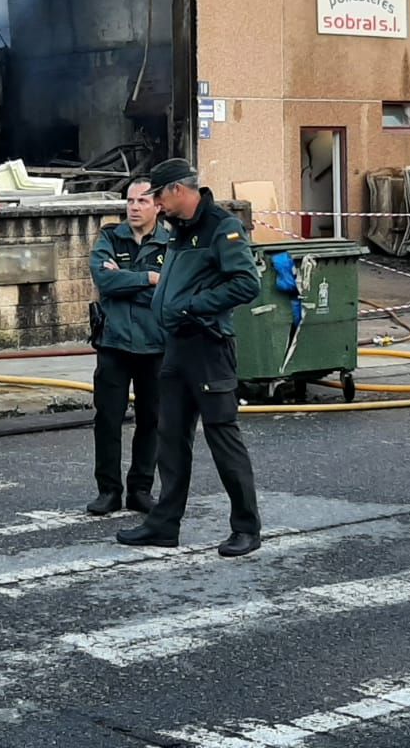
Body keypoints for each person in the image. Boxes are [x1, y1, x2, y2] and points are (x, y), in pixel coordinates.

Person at [117, 158, 263, 557]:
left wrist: (194, 306)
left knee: (222, 436)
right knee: (171, 439)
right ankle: (164, 525)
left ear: (179, 190)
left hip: (208, 346)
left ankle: (246, 528)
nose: (157, 205)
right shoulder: (179, 231)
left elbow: (247, 283)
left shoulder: (221, 227)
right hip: (177, 348)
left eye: (159, 196)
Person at [86, 177, 170, 516]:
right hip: (114, 343)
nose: (134, 207)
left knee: (152, 419)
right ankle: (108, 490)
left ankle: (140, 489)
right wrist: (148, 278)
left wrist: (126, 279)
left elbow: (171, 291)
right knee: (108, 419)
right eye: (130, 201)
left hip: (155, 344)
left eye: (142, 202)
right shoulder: (109, 236)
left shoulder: (171, 242)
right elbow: (104, 281)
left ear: (158, 207)